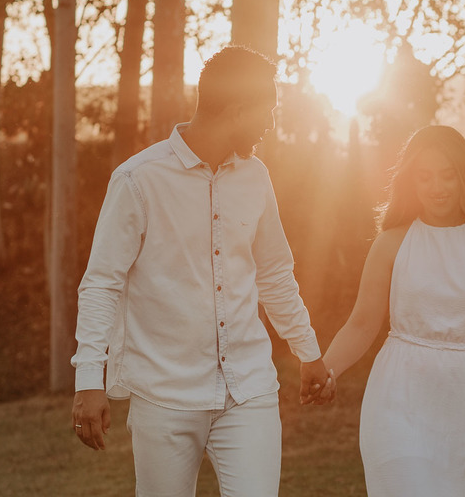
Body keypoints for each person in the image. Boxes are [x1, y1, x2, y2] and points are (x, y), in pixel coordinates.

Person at [70, 45, 335, 496]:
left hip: (248, 388)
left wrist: (307, 351)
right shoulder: (138, 180)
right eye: (267, 111)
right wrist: (88, 381)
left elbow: (274, 272)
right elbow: (101, 284)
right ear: (237, 110)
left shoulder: (256, 177)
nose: (271, 124)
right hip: (164, 394)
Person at [323, 125, 465, 497]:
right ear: (410, 181)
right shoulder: (390, 244)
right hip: (398, 400)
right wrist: (326, 369)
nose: (437, 187)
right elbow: (362, 324)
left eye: (448, 175)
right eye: (424, 176)